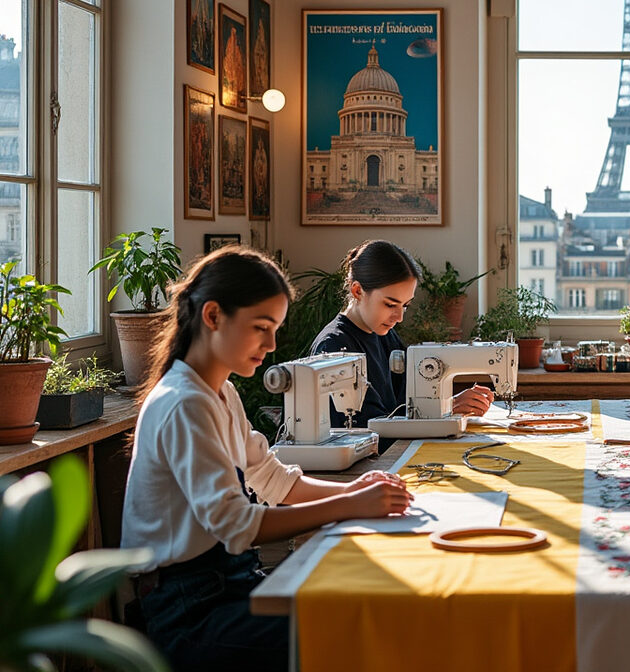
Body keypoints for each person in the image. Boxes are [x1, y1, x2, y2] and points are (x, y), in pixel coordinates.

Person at [121, 247, 414, 670]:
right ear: (213, 315)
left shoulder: (219, 392)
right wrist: (349, 505)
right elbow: (236, 524)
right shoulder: (185, 403)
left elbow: (272, 478)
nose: (272, 344)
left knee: (361, 600)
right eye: (261, 327)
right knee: (357, 629)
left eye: (274, 329)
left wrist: (354, 489)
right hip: (189, 612)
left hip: (225, 584)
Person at [310, 240, 493, 435]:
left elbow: (407, 407)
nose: (399, 317)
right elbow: (369, 429)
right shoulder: (334, 347)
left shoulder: (385, 336)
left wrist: (448, 405)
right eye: (390, 305)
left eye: (405, 305)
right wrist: (448, 408)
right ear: (357, 291)